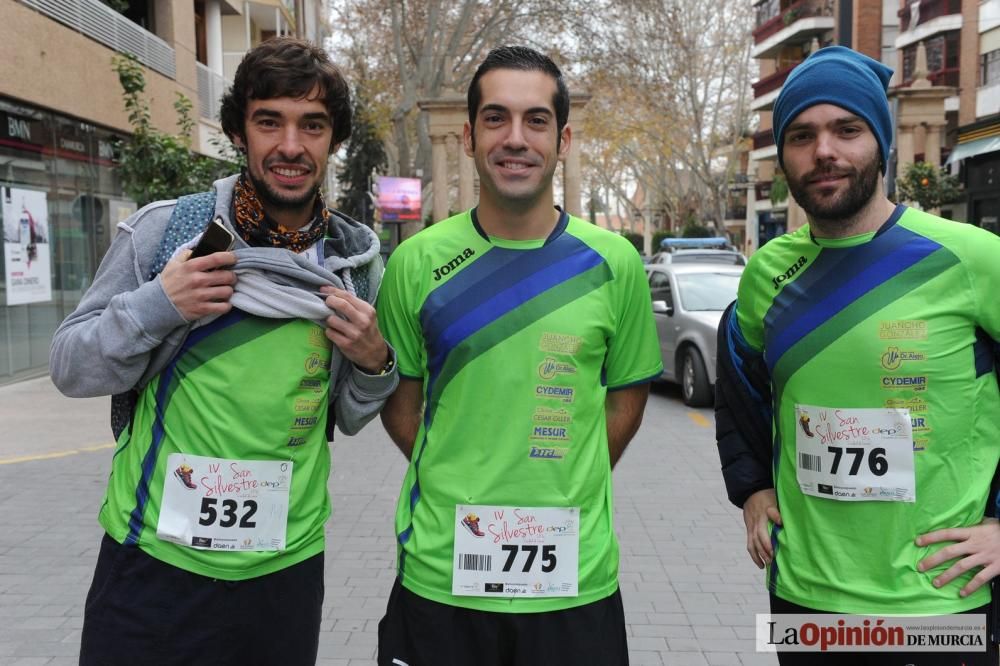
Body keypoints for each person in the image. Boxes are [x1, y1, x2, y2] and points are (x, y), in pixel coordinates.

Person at [49, 37, 397, 665]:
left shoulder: (356, 265)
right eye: (270, 122)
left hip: (282, 575)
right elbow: (70, 366)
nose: (290, 146)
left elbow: (345, 415)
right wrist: (161, 303)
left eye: (312, 126)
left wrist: (376, 363)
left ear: (332, 141)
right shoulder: (170, 233)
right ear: (238, 132)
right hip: (152, 567)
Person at [374, 45, 662, 666]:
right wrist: (457, 471)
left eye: (535, 121)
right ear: (471, 134)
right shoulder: (413, 264)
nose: (515, 138)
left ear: (562, 141)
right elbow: (402, 405)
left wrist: (565, 474)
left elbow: (629, 395)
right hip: (441, 573)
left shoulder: (615, 264)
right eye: (496, 118)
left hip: (572, 581)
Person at [715, 45, 1000, 665]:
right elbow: (740, 386)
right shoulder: (766, 273)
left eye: (847, 129)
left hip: (939, 603)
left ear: (881, 143)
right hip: (805, 598)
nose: (824, 151)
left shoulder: (972, 259)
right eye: (802, 135)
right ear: (783, 156)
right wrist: (753, 487)